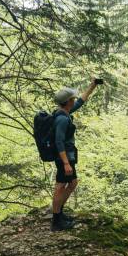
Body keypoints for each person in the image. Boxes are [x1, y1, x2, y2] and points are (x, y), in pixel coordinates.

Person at [51, 78, 100, 231]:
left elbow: (80, 102)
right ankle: (56, 220)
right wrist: (65, 163)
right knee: (60, 186)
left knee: (72, 183)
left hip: (67, 156)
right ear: (67, 102)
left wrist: (92, 86)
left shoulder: (64, 112)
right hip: (63, 157)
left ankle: (59, 214)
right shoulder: (62, 119)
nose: (74, 100)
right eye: (72, 98)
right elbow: (59, 142)